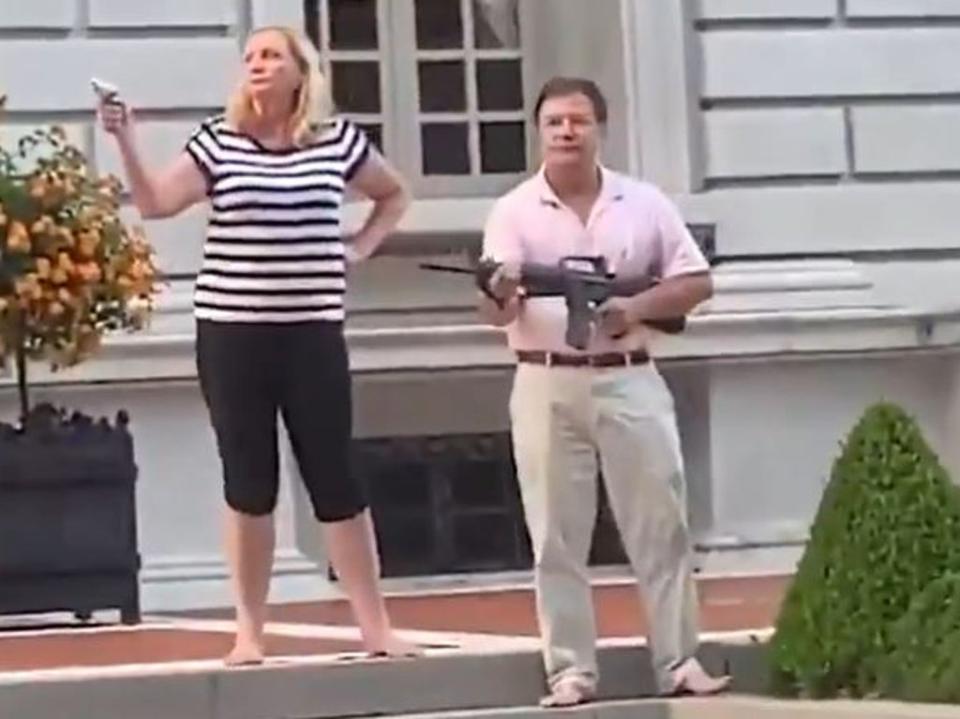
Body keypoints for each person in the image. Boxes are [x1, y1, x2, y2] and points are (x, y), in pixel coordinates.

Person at [99, 26, 416, 665]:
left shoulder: (337, 142)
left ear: (303, 72)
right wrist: (124, 139)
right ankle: (249, 631)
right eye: (250, 58)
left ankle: (375, 627)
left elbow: (394, 193)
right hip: (233, 334)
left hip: (313, 332)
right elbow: (157, 203)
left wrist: (360, 246)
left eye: (271, 56)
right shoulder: (219, 141)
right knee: (249, 482)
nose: (258, 66)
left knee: (335, 478)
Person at [478, 77, 731, 705]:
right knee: (555, 536)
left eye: (579, 121)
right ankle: (569, 671)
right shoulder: (511, 211)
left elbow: (694, 281)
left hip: (629, 375)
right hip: (544, 379)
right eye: (555, 121)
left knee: (661, 527)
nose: (567, 131)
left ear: (599, 129)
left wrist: (633, 307)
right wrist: (502, 291)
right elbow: (496, 313)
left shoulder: (642, 203)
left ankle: (680, 662)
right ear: (538, 131)